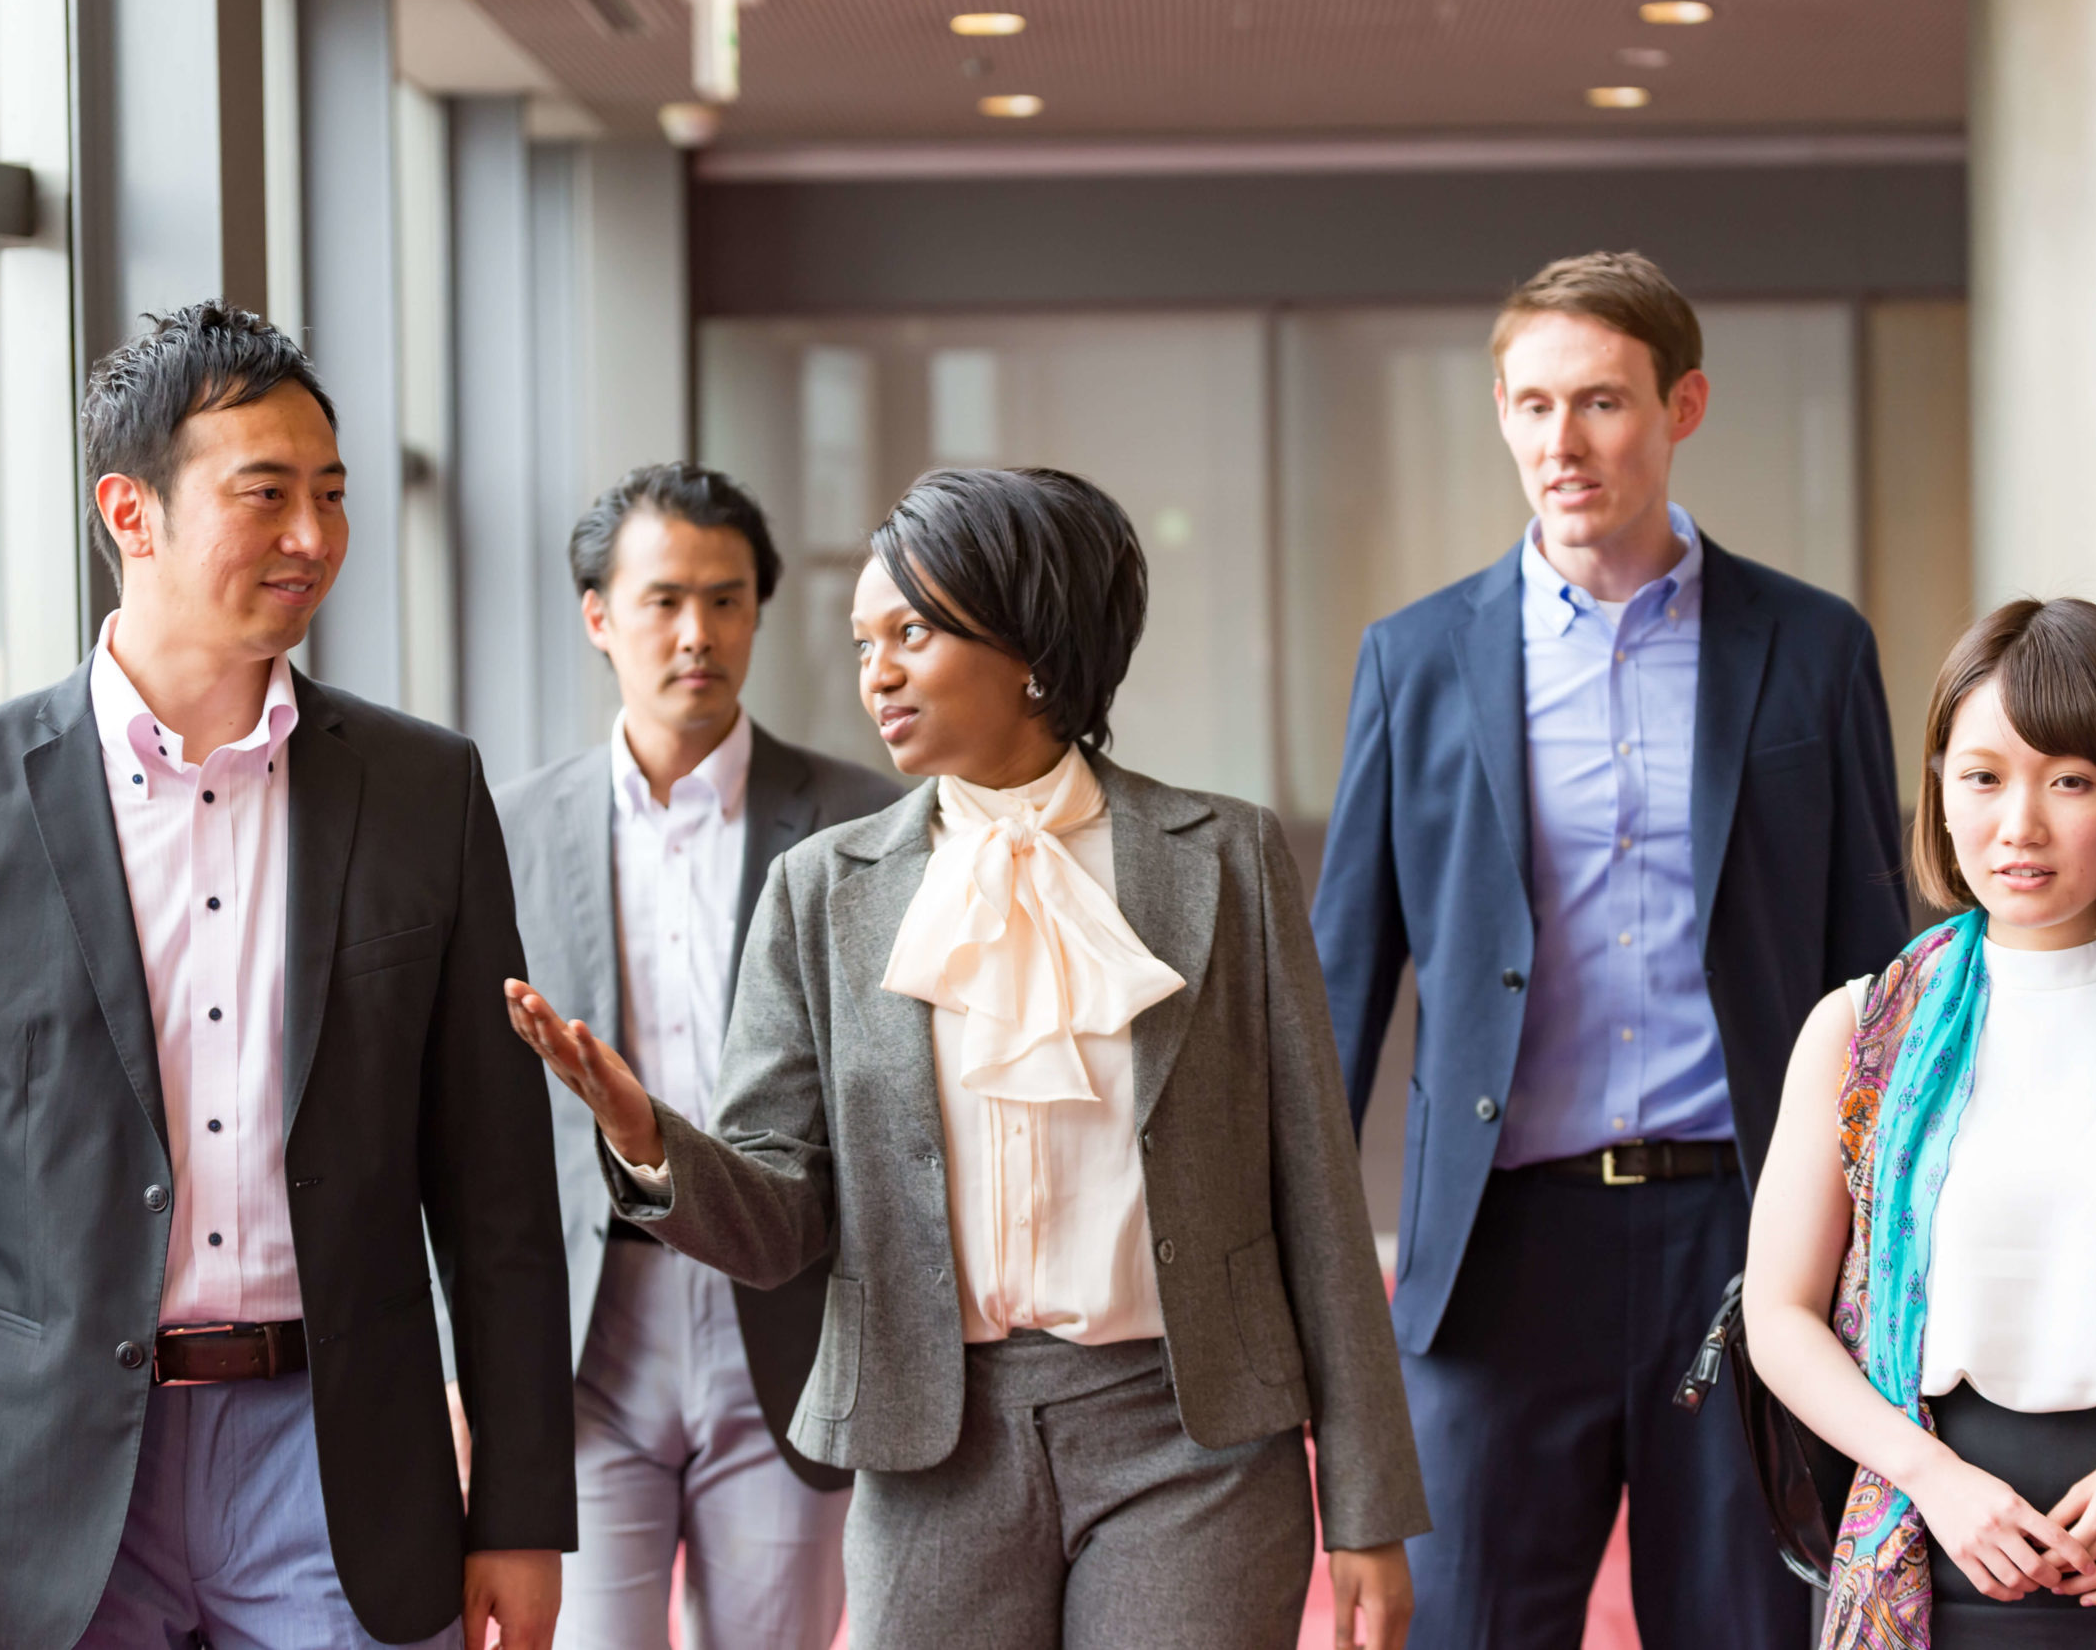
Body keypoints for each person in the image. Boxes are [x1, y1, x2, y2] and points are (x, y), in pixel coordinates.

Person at [505, 466, 1431, 1650]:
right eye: (862, 640)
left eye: (913, 631)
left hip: (1192, 1437)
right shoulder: (821, 890)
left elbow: (1317, 1195)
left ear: (1030, 642)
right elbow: (779, 1219)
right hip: (932, 1439)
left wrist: (1367, 1505)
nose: (874, 671)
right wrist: (648, 1140)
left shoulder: (1224, 857)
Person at [0, 301, 576, 1650]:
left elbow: (497, 1185)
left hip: (339, 1464)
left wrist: (518, 1506)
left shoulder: (423, 790)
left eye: (329, 496)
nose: (315, 538)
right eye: (265, 495)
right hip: (48, 1480)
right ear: (132, 512)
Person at [1311, 250, 1908, 1648]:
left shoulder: (1812, 650)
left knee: (1751, 1625)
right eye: (1529, 406)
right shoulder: (1418, 659)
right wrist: (1309, 1275)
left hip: (1744, 1240)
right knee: (1469, 1625)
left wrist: (1892, 1253)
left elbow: (1874, 973)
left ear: (1683, 403)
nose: (1558, 444)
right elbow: (1342, 979)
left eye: (1599, 403)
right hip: (1499, 1250)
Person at [1745, 597, 2096, 1649]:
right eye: (1983, 776)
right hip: (1929, 1560)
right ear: (1938, 790)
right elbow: (1779, 1313)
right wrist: (1932, 1477)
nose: (2020, 825)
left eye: (2069, 780)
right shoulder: (1859, 1030)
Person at [453, 463, 901, 1649]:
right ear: (599, 615)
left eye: (725, 598)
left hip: (787, 1316)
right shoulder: (500, 826)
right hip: (588, 1338)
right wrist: (462, 1365)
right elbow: (453, 1120)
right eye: (662, 600)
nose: (695, 633)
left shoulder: (866, 821)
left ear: (758, 610)